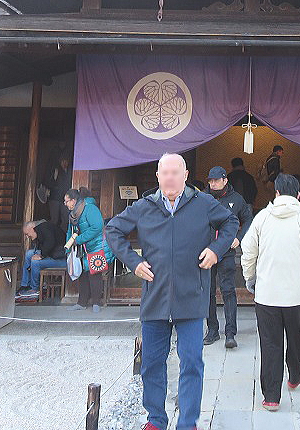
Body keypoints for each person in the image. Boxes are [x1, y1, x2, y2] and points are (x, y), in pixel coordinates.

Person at [105, 153, 239, 430]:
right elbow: (113, 229)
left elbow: (231, 223)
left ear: (185, 175)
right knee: (152, 363)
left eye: (175, 172)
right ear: (157, 176)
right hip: (155, 297)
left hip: (191, 296)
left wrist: (216, 250)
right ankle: (156, 420)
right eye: (164, 173)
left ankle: (188, 423)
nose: (169, 178)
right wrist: (133, 262)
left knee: (191, 362)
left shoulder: (203, 203)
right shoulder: (145, 206)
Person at [241, 173, 300, 412]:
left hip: (267, 295)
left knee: (270, 344)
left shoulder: (262, 219)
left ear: (276, 193)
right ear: (298, 195)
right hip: (298, 295)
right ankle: (297, 372)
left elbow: (248, 252)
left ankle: (271, 397)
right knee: (297, 336)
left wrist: (250, 277)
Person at [204, 165, 253, 349]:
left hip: (226, 252)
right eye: (210, 181)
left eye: (216, 180)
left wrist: (239, 238)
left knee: (228, 291)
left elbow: (248, 218)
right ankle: (212, 330)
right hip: (206, 251)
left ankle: (230, 332)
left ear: (225, 180)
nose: (213, 184)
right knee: (207, 292)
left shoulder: (236, 199)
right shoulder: (203, 197)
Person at [64, 187, 113, 312]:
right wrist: (68, 246)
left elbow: (97, 227)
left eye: (67, 201)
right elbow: (70, 231)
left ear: (74, 200)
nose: (65, 204)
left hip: (95, 245)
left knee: (94, 272)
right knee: (82, 273)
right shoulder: (73, 214)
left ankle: (96, 303)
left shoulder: (90, 208)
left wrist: (79, 240)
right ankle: (81, 302)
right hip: (81, 247)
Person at [17, 219, 67, 298]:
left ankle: (34, 289)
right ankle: (25, 284)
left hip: (61, 258)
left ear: (32, 228)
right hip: (53, 254)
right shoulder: (40, 230)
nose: (27, 236)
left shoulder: (45, 228)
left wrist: (41, 256)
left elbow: (50, 242)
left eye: (27, 234)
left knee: (35, 262)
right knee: (29, 254)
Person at [44, 155, 73, 229]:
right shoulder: (55, 171)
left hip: (65, 199)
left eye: (66, 161)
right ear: (60, 162)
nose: (64, 163)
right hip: (54, 198)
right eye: (63, 161)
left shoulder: (70, 171)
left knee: (65, 219)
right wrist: (55, 186)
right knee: (54, 220)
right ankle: (52, 237)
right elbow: (48, 182)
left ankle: (62, 237)